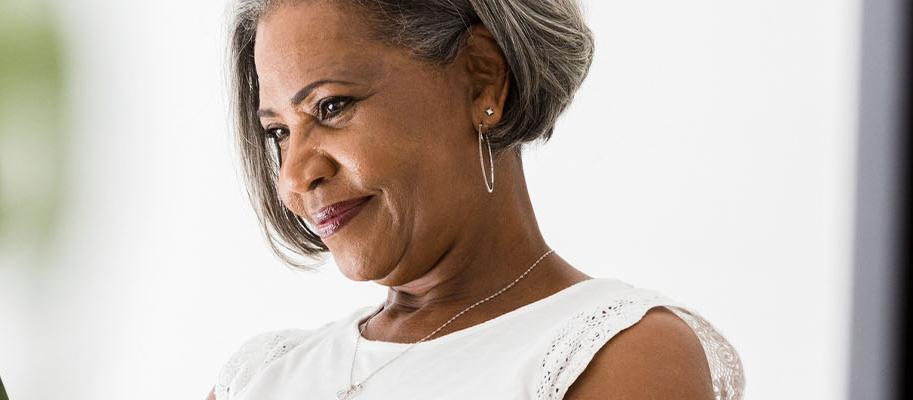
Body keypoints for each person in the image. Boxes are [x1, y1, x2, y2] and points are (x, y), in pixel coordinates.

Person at [210, 0, 745, 399]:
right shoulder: (260, 378)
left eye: (331, 107)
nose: (295, 178)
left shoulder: (614, 355)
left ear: (482, 78)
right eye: (279, 132)